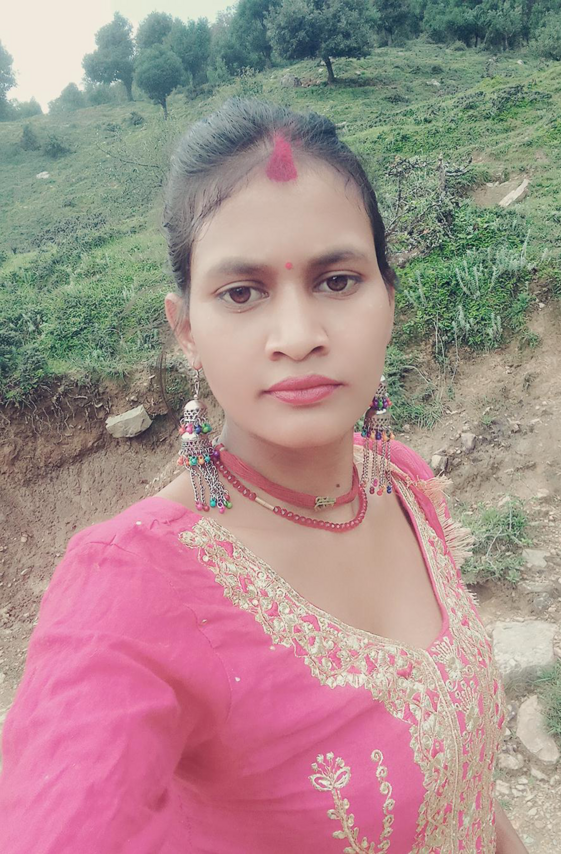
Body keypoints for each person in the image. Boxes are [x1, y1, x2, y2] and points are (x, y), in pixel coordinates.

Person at [0, 98, 528, 853]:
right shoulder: (129, 587)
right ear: (187, 330)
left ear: (389, 297)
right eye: (241, 293)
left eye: (337, 281)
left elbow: (466, 790)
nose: (299, 336)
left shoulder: (399, 483)